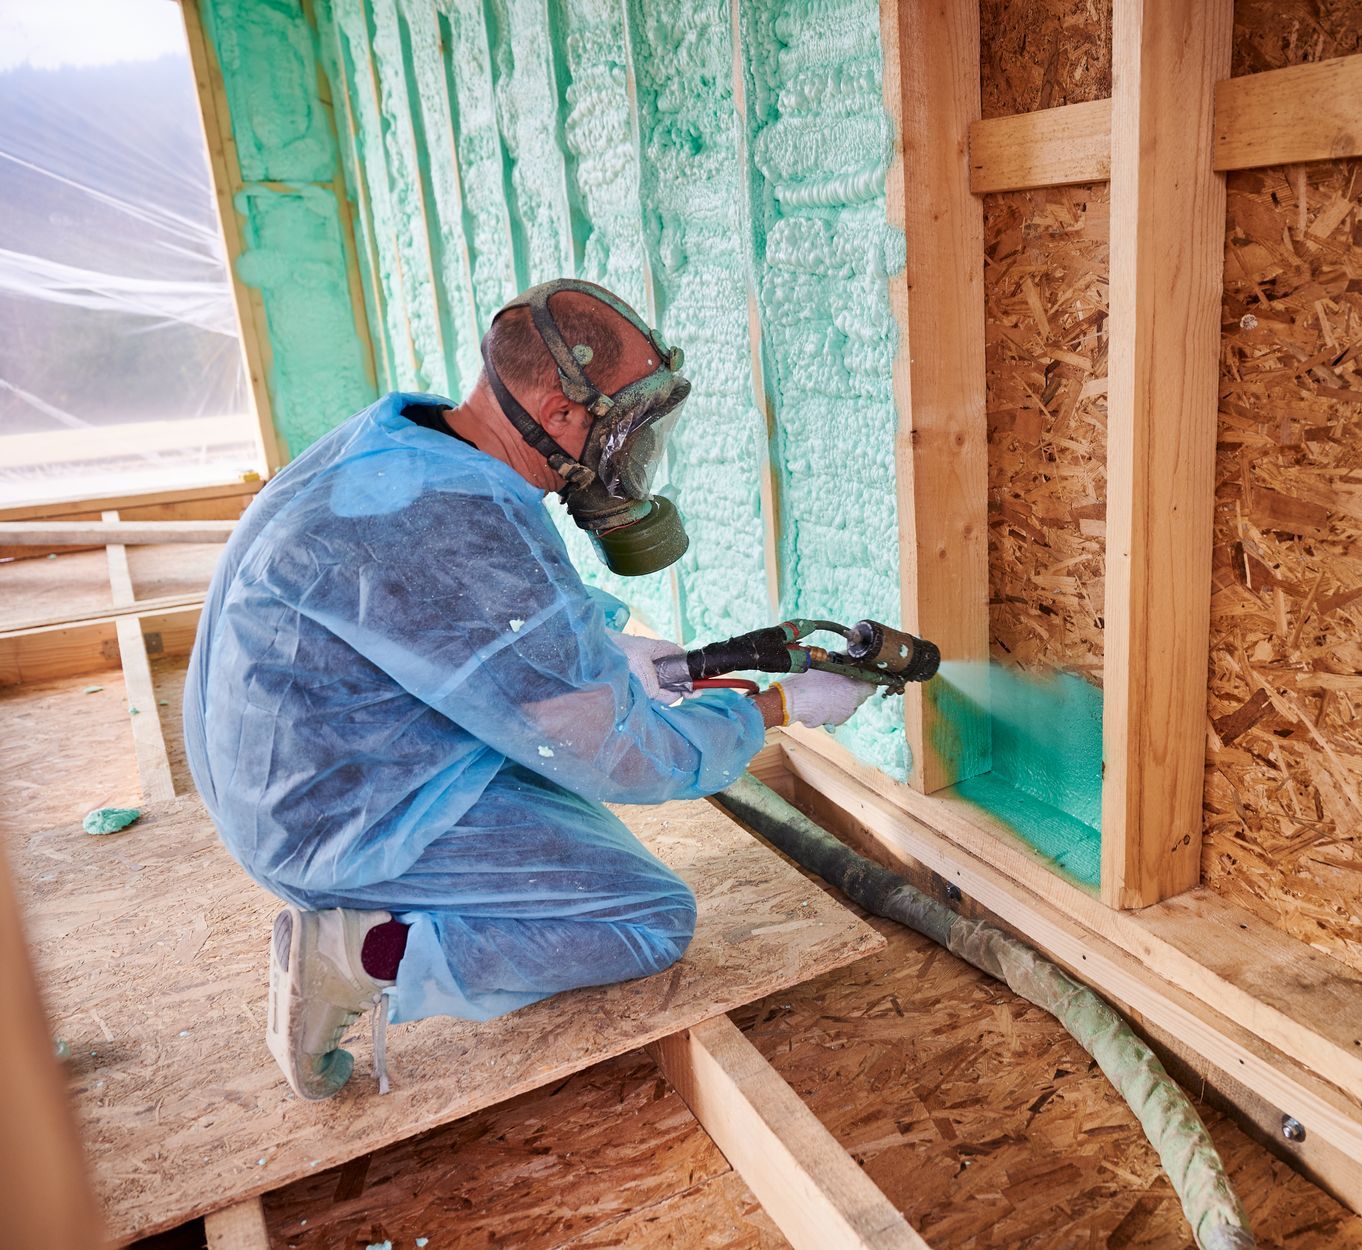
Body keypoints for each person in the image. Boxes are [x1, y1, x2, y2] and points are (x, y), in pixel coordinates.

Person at [182, 279, 876, 1101]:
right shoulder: (461, 519)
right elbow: (621, 757)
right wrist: (778, 708)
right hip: (336, 818)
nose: (632, 457)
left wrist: (602, 653)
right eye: (625, 431)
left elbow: (457, 621)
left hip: (304, 762)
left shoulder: (411, 443)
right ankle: (355, 956)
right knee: (646, 918)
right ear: (558, 413)